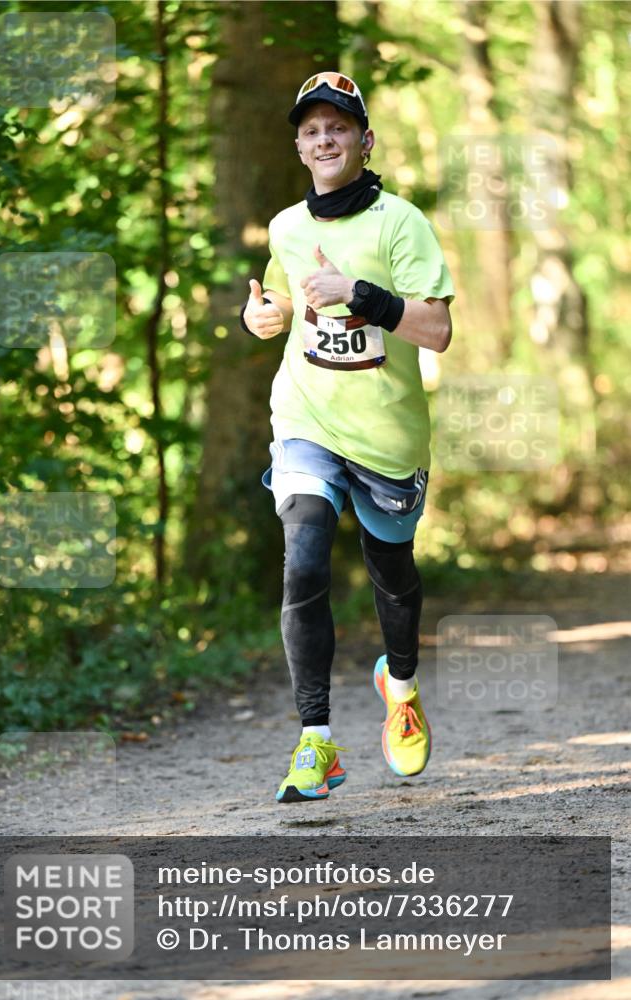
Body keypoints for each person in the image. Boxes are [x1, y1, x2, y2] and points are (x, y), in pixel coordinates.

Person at [240, 72, 455, 803]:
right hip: (305, 419)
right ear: (299, 147)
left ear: (364, 140)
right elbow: (275, 301)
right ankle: (317, 741)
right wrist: (259, 318)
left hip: (388, 436)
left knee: (392, 576)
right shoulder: (285, 228)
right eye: (310, 130)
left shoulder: (401, 223)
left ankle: (399, 687)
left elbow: (437, 330)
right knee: (302, 560)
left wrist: (360, 295)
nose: (323, 139)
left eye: (337, 127)